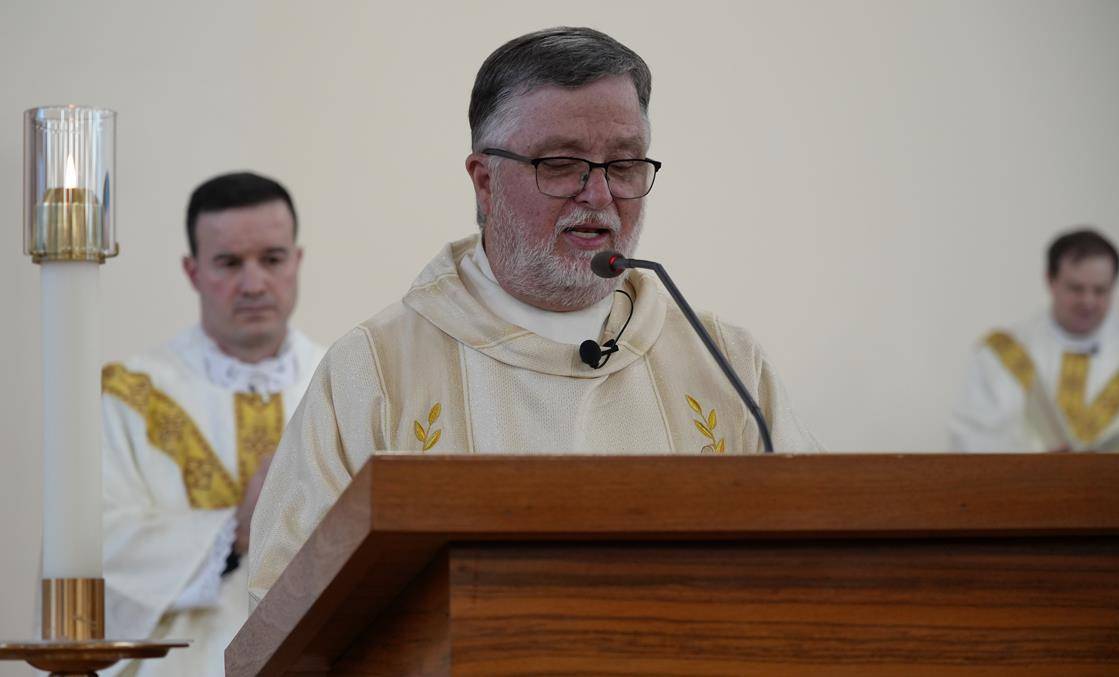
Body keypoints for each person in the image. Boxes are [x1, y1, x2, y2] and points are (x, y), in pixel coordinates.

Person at [247, 26, 821, 606]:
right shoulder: (375, 373)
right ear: (485, 182)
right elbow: (285, 612)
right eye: (562, 163)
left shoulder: (725, 364)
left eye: (623, 165)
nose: (598, 195)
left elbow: (814, 574)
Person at [101, 172, 326, 676]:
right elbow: (93, 550)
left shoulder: (348, 383)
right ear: (192, 271)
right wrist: (233, 533)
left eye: (271, 259)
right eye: (229, 263)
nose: (253, 283)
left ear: (297, 262)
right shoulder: (130, 394)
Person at [950, 227, 1118, 452]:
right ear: (1050, 280)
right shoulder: (1001, 353)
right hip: (1026, 485)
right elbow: (971, 437)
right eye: (1076, 288)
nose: (1088, 301)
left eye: (1100, 290)